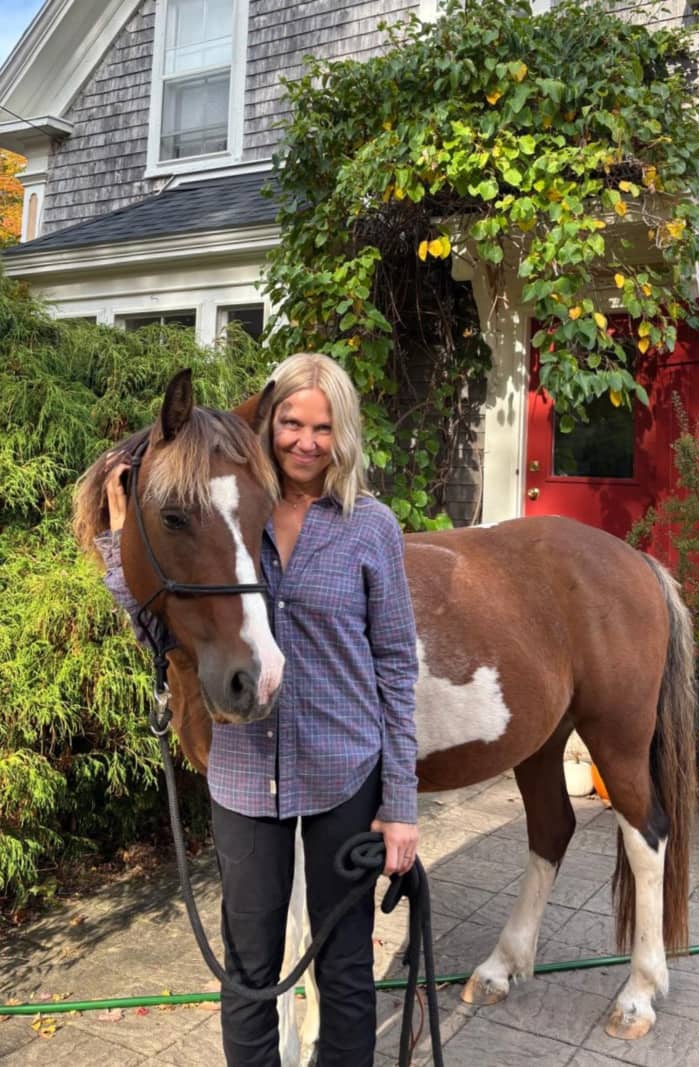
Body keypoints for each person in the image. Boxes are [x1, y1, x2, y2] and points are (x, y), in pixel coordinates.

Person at [97, 353, 419, 1067]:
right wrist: (121, 544)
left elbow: (397, 666)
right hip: (244, 776)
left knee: (342, 966)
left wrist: (401, 803)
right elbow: (168, 626)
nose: (305, 441)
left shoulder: (370, 527)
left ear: (345, 435)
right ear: (268, 426)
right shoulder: (232, 512)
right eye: (292, 423)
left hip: (344, 771)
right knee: (248, 970)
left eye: (323, 427)